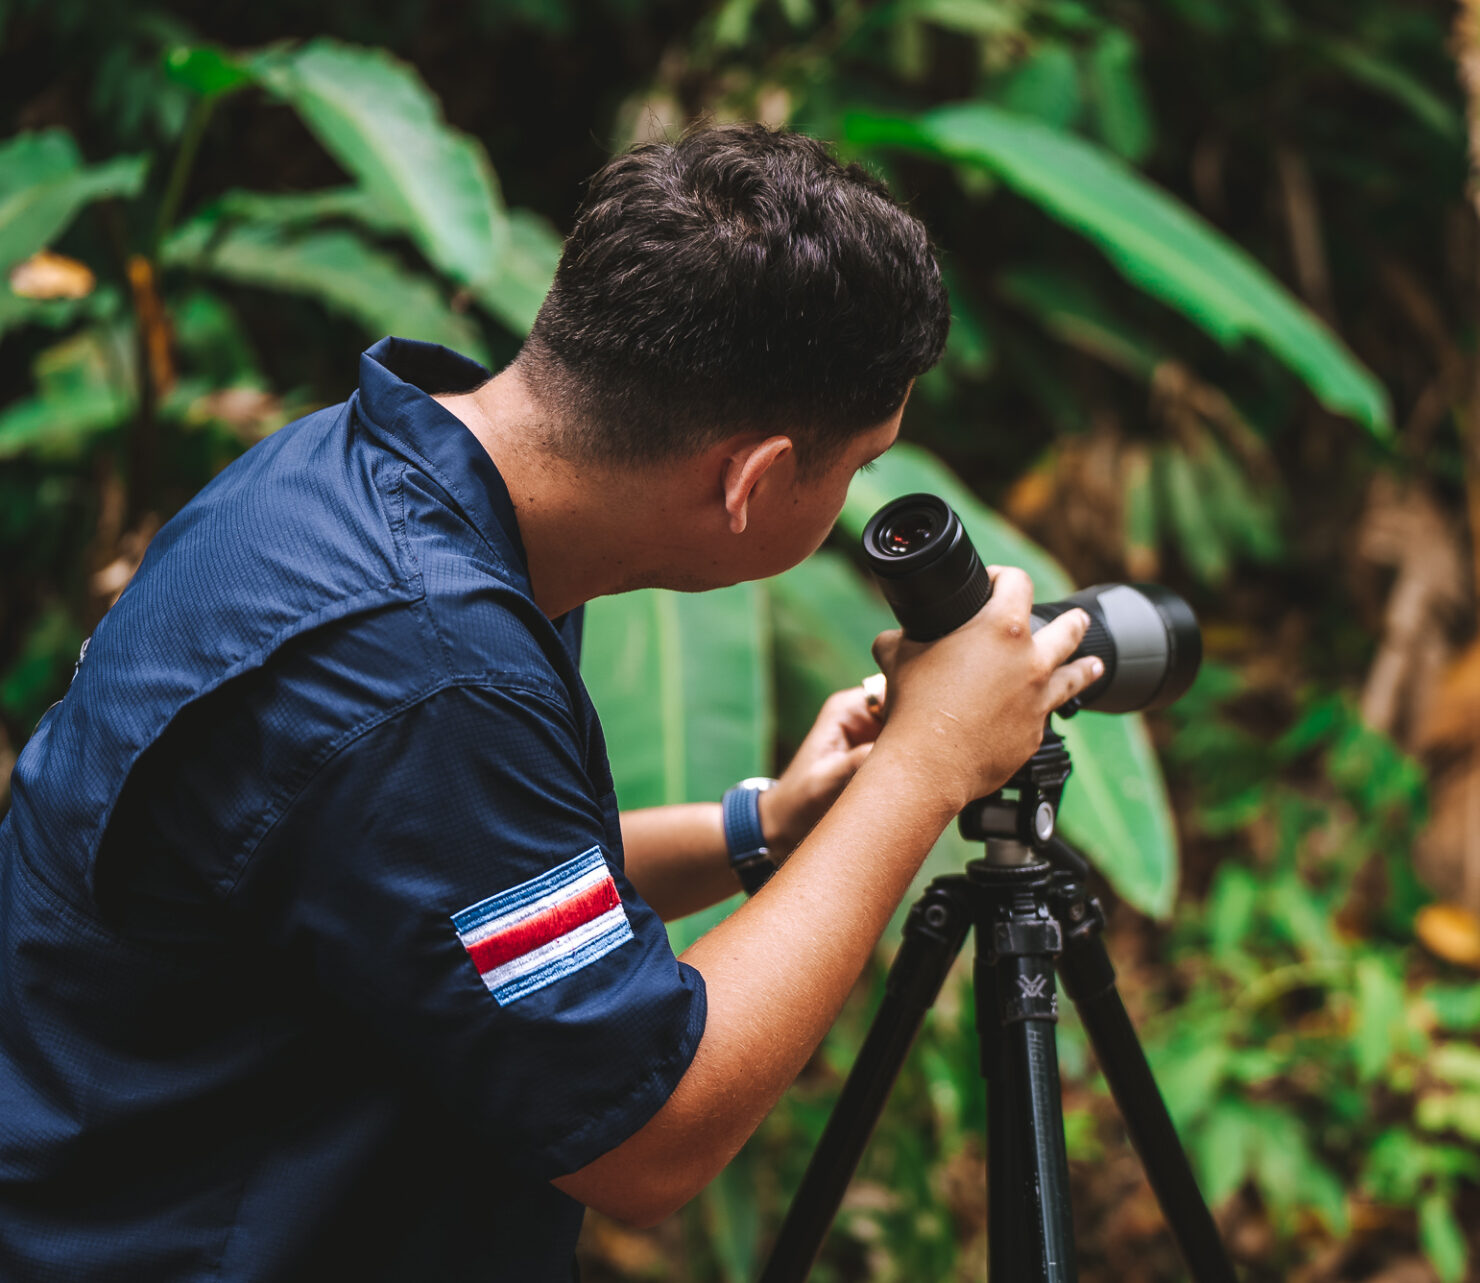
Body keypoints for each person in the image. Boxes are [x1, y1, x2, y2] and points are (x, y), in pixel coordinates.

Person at [0, 123, 1101, 1278]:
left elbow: (438, 898)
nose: (849, 500)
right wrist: (928, 763)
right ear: (755, 478)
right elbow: (646, 1133)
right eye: (857, 465)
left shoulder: (365, 481)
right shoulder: (427, 665)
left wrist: (762, 826)